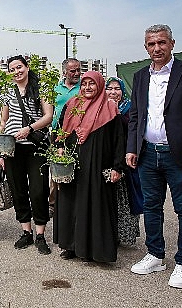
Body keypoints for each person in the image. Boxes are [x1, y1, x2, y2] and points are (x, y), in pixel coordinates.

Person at [127, 24, 182, 289]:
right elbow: (135, 116)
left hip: (178, 155)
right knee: (151, 206)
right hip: (148, 154)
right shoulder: (140, 76)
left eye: (161, 43)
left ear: (172, 44)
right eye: (151, 44)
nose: (157, 48)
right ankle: (155, 255)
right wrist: (132, 147)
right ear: (145, 48)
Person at [53, 71, 126, 263]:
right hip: (72, 165)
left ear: (99, 85)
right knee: (71, 204)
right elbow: (61, 131)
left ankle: (96, 251)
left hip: (97, 167)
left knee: (96, 206)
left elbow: (119, 141)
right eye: (84, 83)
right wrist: (59, 147)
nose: (87, 87)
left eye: (91, 84)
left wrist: (117, 167)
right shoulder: (72, 106)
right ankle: (71, 246)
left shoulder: (110, 109)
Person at [0, 55, 53, 255]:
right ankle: (26, 232)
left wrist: (29, 129)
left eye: (19, 67)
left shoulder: (41, 88)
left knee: (38, 190)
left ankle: (40, 234)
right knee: (18, 189)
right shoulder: (7, 92)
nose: (16, 72)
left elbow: (48, 116)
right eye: (12, 69)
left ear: (27, 67)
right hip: (13, 147)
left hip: (35, 146)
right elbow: (4, 120)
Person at [106, 76, 142, 246]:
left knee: (126, 200)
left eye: (117, 88)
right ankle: (108, 235)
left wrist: (116, 112)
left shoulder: (130, 108)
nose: (113, 92)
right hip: (107, 160)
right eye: (110, 88)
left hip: (126, 160)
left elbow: (132, 128)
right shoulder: (100, 109)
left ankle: (124, 236)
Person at [49, 58, 82, 217]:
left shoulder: (84, 87)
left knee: (74, 167)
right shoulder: (55, 89)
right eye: (72, 71)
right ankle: (53, 203)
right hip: (57, 132)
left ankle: (73, 203)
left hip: (76, 132)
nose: (76, 73)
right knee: (57, 168)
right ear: (64, 72)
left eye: (78, 70)